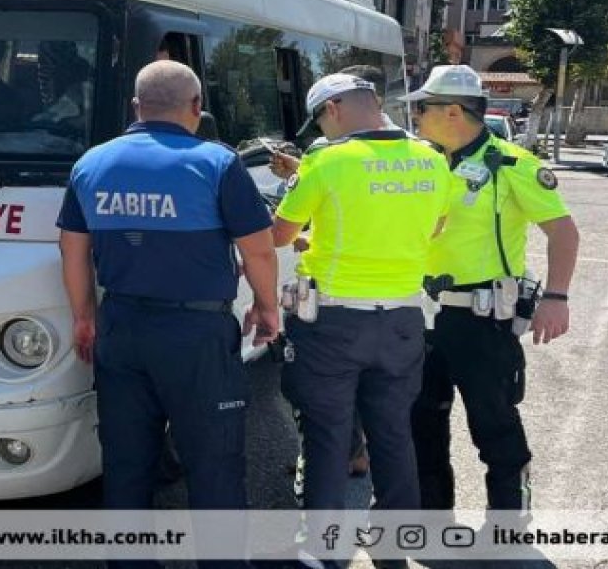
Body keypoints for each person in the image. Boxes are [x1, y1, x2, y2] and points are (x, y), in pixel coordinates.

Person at [56, 60, 280, 565]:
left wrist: (84, 317)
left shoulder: (92, 163)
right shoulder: (217, 164)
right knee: (214, 464)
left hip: (121, 327)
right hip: (197, 334)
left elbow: (72, 250)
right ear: (196, 108)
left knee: (127, 464)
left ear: (136, 107)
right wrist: (267, 309)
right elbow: (260, 252)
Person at [268, 73, 452, 569]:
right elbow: (433, 225)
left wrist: (305, 220)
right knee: (393, 433)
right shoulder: (432, 160)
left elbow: (281, 235)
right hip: (402, 320)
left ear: (333, 110)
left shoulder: (327, 162)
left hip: (333, 323)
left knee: (328, 435)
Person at [399, 64, 580, 514]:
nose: (416, 117)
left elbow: (564, 234)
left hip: (481, 322)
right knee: (422, 424)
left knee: (494, 427)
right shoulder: (423, 163)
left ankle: (508, 525)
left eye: (423, 108)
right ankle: (432, 520)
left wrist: (555, 299)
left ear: (454, 112)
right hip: (421, 316)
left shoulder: (513, 165)